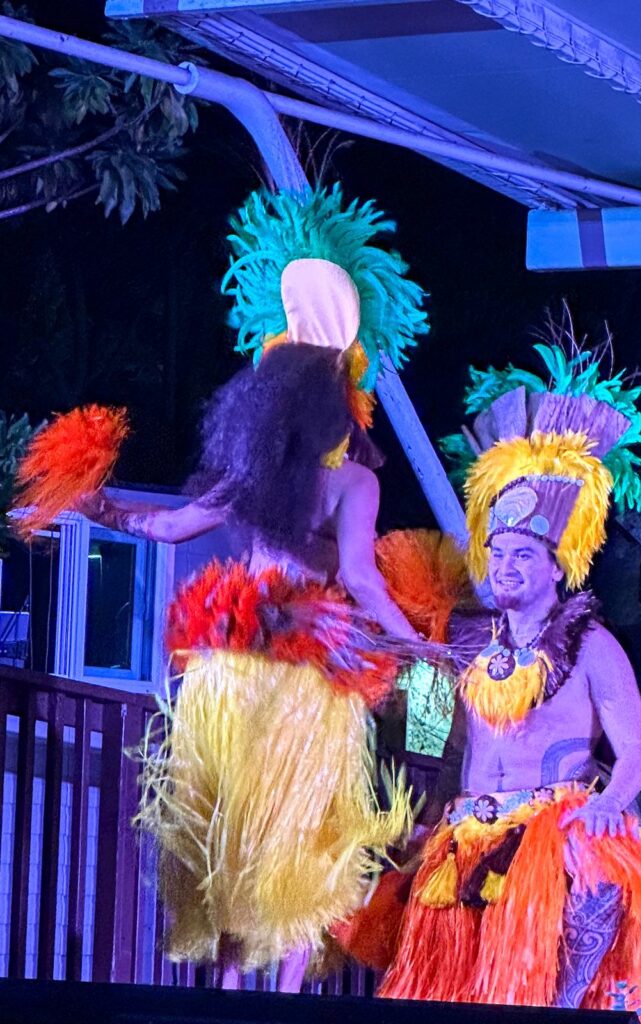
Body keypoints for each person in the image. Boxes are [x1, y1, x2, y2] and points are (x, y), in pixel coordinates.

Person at [16, 185, 430, 990]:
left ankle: (233, 991)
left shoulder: (250, 469)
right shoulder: (352, 487)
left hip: (233, 661)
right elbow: (356, 578)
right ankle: (276, 1001)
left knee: (233, 823)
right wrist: (416, 642)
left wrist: (99, 505)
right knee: (299, 830)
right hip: (305, 668)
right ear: (346, 392)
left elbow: (165, 530)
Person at [377, 349, 641, 1011]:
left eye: (522, 555)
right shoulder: (471, 643)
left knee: (589, 890)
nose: (504, 567)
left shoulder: (592, 644)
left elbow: (637, 751)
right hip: (469, 832)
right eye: (498, 554)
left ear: (556, 566)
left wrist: (604, 809)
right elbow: (452, 749)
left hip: (554, 834)